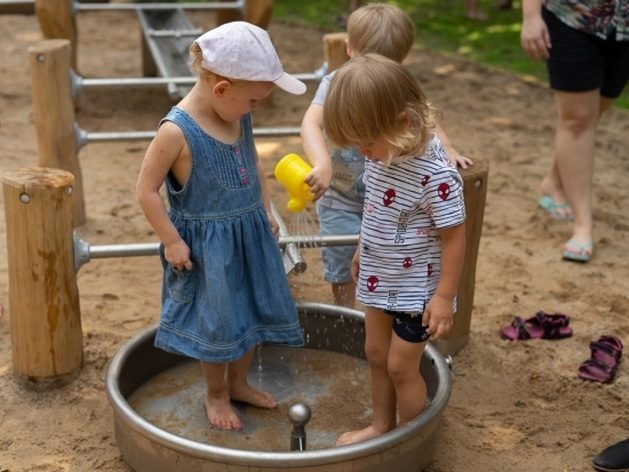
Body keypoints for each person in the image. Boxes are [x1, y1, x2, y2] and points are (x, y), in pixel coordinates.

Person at [136, 21, 306, 431]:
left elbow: (254, 161)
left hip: (248, 235)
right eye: (253, 100)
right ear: (221, 88)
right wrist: (172, 241)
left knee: (248, 311)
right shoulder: (177, 131)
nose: (255, 108)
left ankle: (239, 382)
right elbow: (145, 190)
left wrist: (265, 209)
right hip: (206, 249)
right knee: (217, 323)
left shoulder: (236, 112)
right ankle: (216, 393)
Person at [322, 53, 466, 446]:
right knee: (374, 353)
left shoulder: (436, 175)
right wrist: (360, 249)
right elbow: (376, 211)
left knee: (402, 367)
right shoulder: (383, 154)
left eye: (366, 144)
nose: (362, 153)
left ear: (402, 122)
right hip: (377, 273)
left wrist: (443, 297)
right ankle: (381, 426)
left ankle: (410, 437)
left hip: (418, 292)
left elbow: (455, 237)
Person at [300, 3, 472, 308]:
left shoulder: (396, 86)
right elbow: (311, 122)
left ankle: (379, 315)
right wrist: (322, 163)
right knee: (342, 262)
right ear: (350, 49)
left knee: (386, 257)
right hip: (340, 193)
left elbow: (425, 119)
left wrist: (449, 148)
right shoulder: (336, 83)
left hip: (391, 197)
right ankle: (345, 316)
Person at [520, 0, 629, 262]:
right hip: (571, 16)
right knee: (578, 119)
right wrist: (531, 16)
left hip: (624, 26)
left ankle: (553, 182)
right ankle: (583, 226)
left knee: (598, 107)